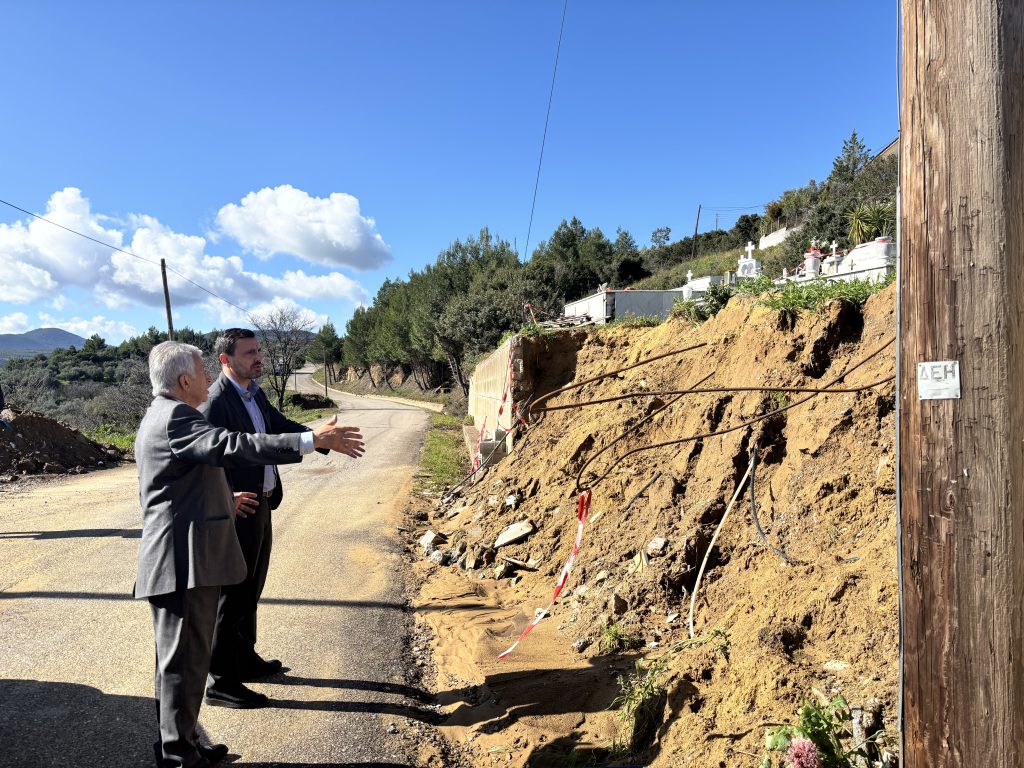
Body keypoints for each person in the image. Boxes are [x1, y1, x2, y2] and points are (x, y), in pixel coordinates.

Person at [134, 341, 363, 768]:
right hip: (181, 561)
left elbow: (188, 478)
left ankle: (183, 743)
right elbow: (230, 445)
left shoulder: (169, 416)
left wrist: (225, 498)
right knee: (181, 663)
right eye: (203, 373)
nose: (207, 380)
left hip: (190, 558)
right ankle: (177, 755)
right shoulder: (176, 416)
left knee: (189, 658)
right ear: (185, 380)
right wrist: (312, 440)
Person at [200, 328, 328, 708]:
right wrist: (224, 497)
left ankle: (244, 657)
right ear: (226, 360)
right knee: (232, 596)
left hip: (261, 504)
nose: (259, 358)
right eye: (250, 352)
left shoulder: (254, 392)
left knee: (251, 590)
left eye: (259, 350)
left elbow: (277, 428)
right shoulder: (215, 402)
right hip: (235, 512)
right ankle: (221, 681)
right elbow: (206, 456)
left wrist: (319, 438)